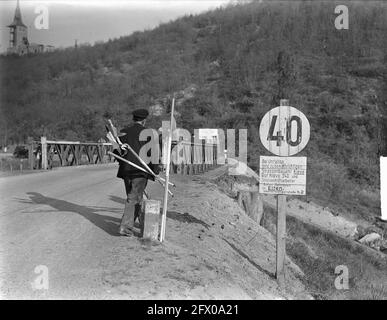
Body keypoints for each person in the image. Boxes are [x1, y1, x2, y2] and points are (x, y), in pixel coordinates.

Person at [113, 109, 160, 236]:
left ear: (133, 119)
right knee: (134, 197)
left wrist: (123, 162)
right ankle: (126, 227)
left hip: (126, 170)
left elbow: (117, 152)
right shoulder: (149, 133)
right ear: (144, 120)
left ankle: (142, 222)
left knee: (135, 197)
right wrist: (155, 170)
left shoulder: (124, 132)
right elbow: (153, 155)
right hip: (140, 171)